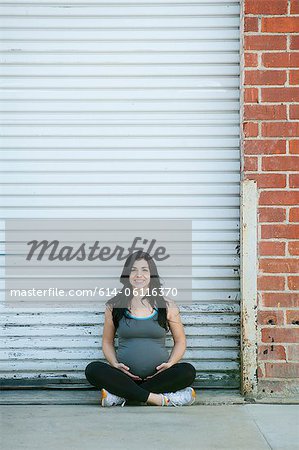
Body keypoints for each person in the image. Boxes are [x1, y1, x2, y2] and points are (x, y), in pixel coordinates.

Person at [85, 250, 196, 407]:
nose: (139, 275)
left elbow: (180, 341)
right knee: (93, 369)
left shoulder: (167, 305)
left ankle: (122, 395)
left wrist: (170, 364)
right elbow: (107, 342)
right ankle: (161, 399)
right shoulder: (114, 306)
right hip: (125, 377)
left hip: (159, 376)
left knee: (188, 371)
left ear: (152, 275)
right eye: (133, 270)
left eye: (144, 270)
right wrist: (115, 364)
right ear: (127, 275)